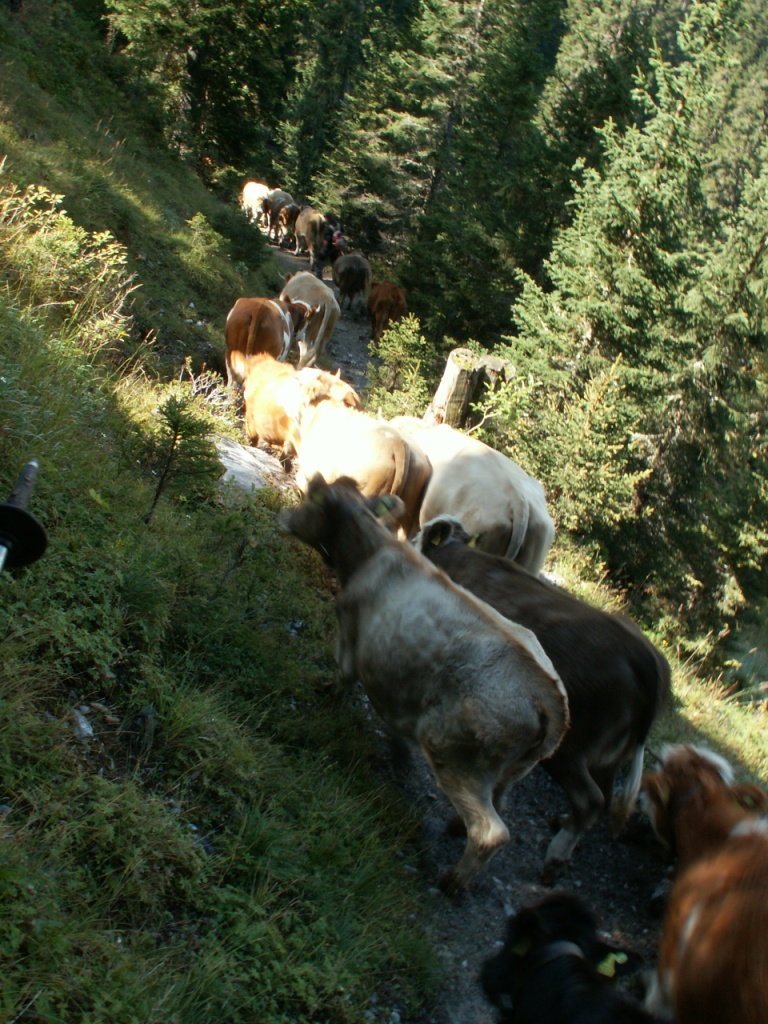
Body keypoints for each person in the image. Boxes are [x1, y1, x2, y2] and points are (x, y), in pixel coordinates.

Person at [314, 214, 346, 278]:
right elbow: (343, 235)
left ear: (326, 218)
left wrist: (323, 248)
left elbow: (326, 240)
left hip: (329, 248)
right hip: (337, 248)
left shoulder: (328, 228)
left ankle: (318, 275)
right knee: (334, 262)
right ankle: (336, 277)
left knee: (320, 258)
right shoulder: (339, 225)